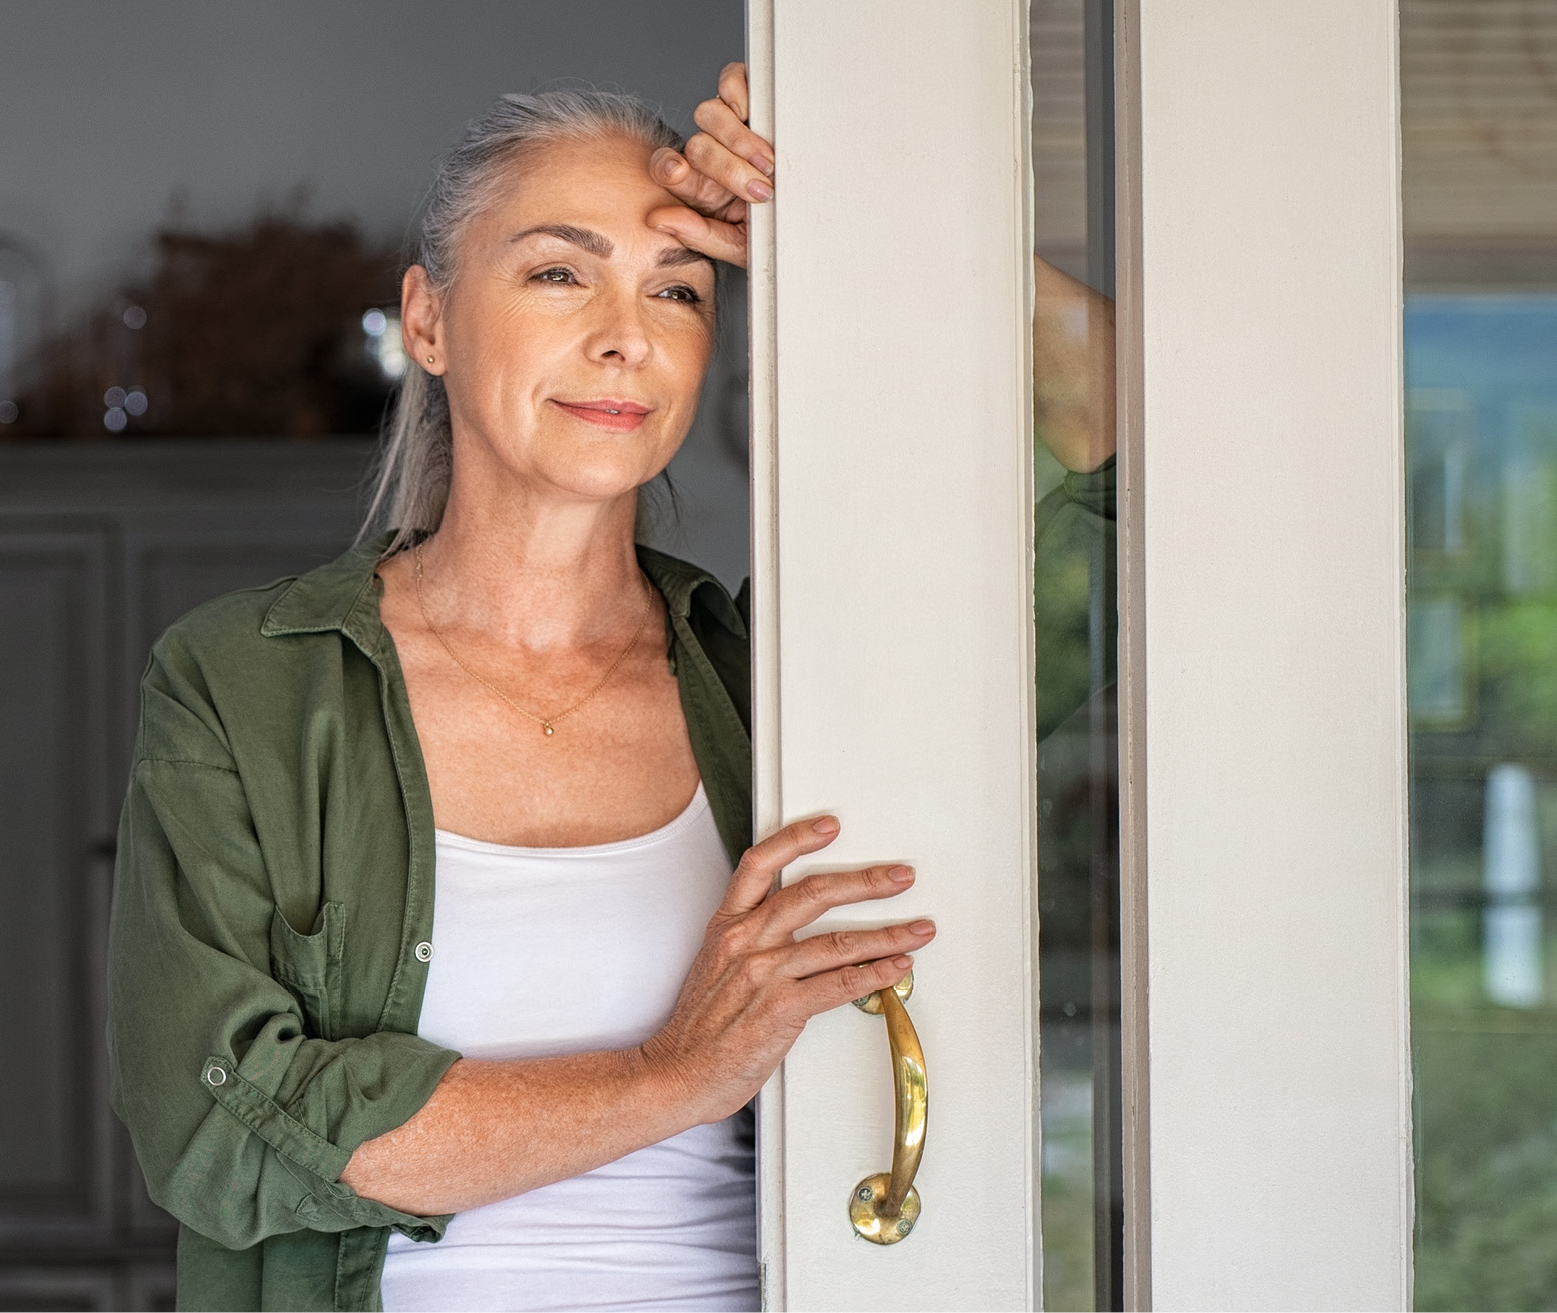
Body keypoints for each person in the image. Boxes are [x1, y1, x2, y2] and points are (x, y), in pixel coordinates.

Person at [107, 62, 1114, 1313]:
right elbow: (223, 1130)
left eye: (679, 288)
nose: (624, 334)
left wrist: (880, 209)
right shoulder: (243, 683)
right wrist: (674, 1072)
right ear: (427, 319)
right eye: (556, 271)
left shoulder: (785, 688)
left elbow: (1132, 501)